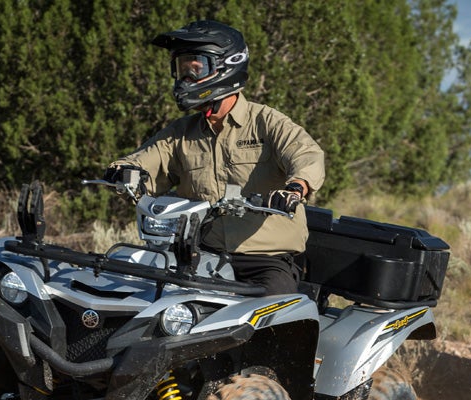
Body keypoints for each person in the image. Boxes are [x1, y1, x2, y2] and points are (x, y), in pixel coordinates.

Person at [106, 19, 325, 295]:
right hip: (198, 253)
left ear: (226, 67)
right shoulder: (181, 133)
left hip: (264, 261)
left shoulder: (267, 123)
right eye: (181, 70)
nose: (185, 79)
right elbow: (143, 161)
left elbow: (307, 155)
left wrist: (295, 189)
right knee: (143, 294)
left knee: (269, 312)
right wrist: (122, 172)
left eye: (195, 69)